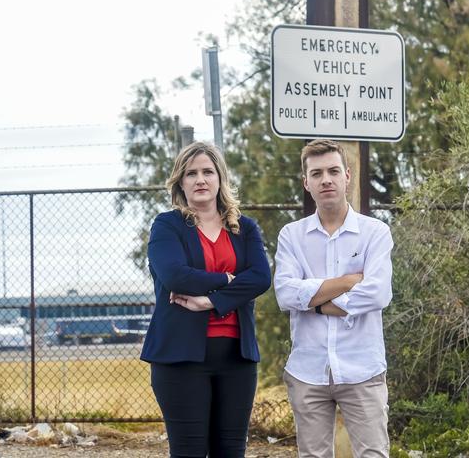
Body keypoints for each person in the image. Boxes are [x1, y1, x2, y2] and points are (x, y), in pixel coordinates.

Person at [140, 141, 272, 458]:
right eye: (192, 173)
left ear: (219, 179)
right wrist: (226, 280)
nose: (200, 179)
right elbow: (174, 275)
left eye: (208, 172)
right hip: (181, 360)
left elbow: (261, 278)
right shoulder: (166, 226)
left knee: (231, 452)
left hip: (236, 361)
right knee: (190, 452)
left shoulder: (245, 228)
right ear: (181, 183)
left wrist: (211, 301)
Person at [274, 139, 393, 457]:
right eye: (317, 173)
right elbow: (285, 293)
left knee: (373, 454)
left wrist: (314, 302)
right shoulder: (291, 235)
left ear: (347, 176)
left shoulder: (375, 232)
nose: (325, 179)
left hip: (362, 368)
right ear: (306, 182)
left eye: (333, 171)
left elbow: (378, 292)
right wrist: (347, 282)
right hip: (308, 369)